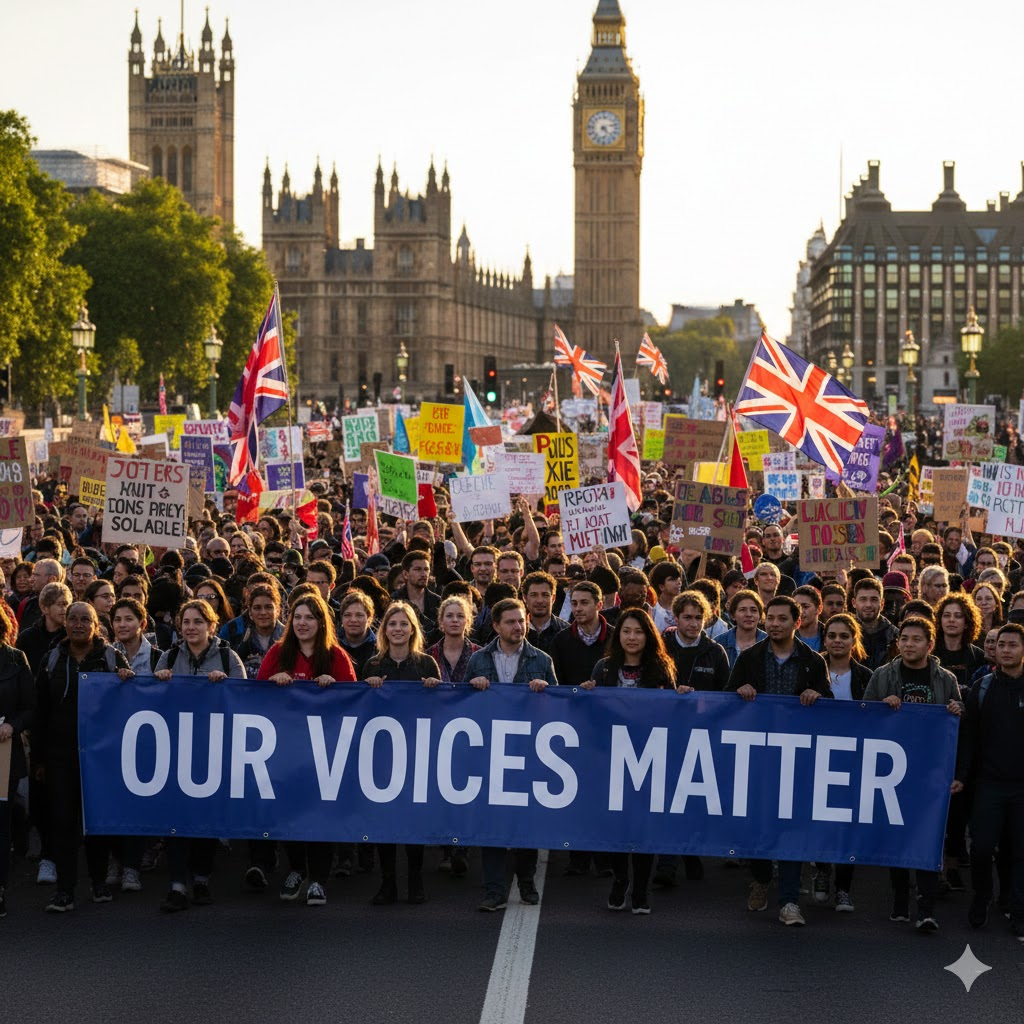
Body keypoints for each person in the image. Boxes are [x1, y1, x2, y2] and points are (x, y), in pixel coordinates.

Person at [726, 595, 832, 926]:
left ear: (796, 623)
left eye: (781, 618)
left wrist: (818, 696)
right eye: (769, 617)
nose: (773, 623)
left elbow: (830, 709)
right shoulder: (749, 658)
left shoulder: (813, 662)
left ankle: (788, 901)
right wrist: (739, 691)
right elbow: (727, 702)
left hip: (798, 760)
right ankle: (760, 878)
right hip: (757, 757)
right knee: (757, 824)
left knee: (791, 828)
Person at [864, 615, 962, 931]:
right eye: (904, 638)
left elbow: (958, 725)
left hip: (929, 771)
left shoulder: (945, 679)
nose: (908, 644)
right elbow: (862, 717)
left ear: (929, 644)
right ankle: (900, 899)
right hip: (891, 771)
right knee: (897, 836)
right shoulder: (882, 675)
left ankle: (926, 908)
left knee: (928, 837)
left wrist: (957, 710)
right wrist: (882, 705)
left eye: (916, 639)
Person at [258, 594, 356, 907]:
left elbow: (355, 701)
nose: (302, 623)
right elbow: (254, 696)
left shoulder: (336, 655)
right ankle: (297, 869)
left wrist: (335, 687)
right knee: (290, 813)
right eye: (297, 617)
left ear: (320, 622)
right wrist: (272, 682)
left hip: (326, 754)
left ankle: (319, 880)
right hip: (285, 751)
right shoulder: (277, 652)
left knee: (321, 814)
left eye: (309, 617)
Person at [34, 602, 131, 912]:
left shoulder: (111, 657)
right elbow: (40, 713)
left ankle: (99, 881)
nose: (77, 624)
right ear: (65, 623)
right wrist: (39, 760)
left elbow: (129, 706)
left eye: (84, 619)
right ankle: (65, 890)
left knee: (96, 822)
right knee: (62, 822)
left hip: (100, 757)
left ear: (95, 625)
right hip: (59, 755)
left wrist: (126, 678)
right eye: (72, 618)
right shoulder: (51, 659)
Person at [153, 599, 247, 912]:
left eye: (197, 621)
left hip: (213, 748)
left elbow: (246, 699)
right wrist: (161, 681)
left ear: (210, 625)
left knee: (207, 816)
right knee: (176, 818)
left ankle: (202, 878)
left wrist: (226, 685)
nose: (191, 628)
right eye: (186, 622)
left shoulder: (227, 656)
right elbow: (152, 703)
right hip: (176, 749)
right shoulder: (167, 656)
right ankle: (178, 884)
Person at [582, 609, 676, 914]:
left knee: (644, 827)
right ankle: (620, 881)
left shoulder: (661, 668)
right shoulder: (604, 668)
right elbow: (591, 716)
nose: (632, 637)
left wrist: (681, 695)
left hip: (649, 759)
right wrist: (585, 695)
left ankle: (641, 890)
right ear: (618, 635)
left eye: (638, 632)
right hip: (612, 760)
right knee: (618, 826)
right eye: (626, 631)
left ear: (648, 636)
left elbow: (675, 713)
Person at [466, 598, 557, 912]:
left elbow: (558, 709)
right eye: (510, 622)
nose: (518, 627)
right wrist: (472, 686)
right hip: (488, 753)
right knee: (491, 823)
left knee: (525, 823)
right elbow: (462, 708)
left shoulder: (542, 660)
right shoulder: (478, 660)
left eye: (521, 621)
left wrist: (546, 691)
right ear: (496, 626)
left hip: (527, 753)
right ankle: (494, 890)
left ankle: (527, 880)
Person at [363, 603, 441, 906]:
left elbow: (439, 709)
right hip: (381, 754)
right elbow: (360, 708)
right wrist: (367, 688)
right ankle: (388, 883)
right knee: (384, 820)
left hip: (416, 752)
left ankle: (415, 879)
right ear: (384, 630)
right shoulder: (372, 664)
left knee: (412, 819)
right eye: (392, 624)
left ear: (412, 629)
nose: (397, 628)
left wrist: (436, 688)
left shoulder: (425, 665)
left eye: (403, 624)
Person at [953, 622, 1024, 939]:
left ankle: (1018, 910)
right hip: (988, 785)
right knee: (981, 848)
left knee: (1020, 852)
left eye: (1013, 645)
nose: (1006, 650)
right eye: (1002, 645)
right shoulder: (981, 688)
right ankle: (982, 897)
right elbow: (967, 738)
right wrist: (962, 777)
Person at [814, 613, 872, 911]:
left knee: (848, 825)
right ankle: (822, 871)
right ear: (825, 640)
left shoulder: (865, 675)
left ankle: (843, 889)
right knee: (821, 821)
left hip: (854, 759)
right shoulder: (811, 668)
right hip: (817, 758)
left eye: (844, 636)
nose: (838, 641)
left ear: (853, 640)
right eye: (832, 636)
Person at [0, 606, 34, 919]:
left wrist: (13, 724)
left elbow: (30, 707)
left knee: (1, 819)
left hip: (4, 752)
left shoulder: (15, 659)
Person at [551, 581, 610, 691]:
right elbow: (557, 683)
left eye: (584, 603)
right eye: (574, 603)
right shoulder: (560, 640)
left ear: (599, 605)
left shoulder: (616, 638)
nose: (578, 608)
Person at [232, 584, 285, 679]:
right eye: (257, 608)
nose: (263, 612)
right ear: (250, 613)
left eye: (268, 607)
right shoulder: (238, 637)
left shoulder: (290, 637)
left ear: (278, 611)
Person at [852, 577, 898, 670]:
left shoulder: (894, 636)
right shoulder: (845, 633)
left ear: (882, 604)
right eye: (863, 599)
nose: (868, 605)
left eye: (873, 600)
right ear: (854, 603)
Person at [522, 571, 569, 655]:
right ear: (525, 598)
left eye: (545, 595)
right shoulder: (517, 631)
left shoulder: (567, 632)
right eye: (534, 595)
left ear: (553, 598)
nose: (540, 600)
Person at [718, 589, 766, 668]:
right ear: (733, 615)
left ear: (760, 615)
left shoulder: (770, 644)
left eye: (753, 610)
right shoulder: (720, 643)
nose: (748, 614)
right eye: (742, 610)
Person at [338, 590, 377, 675]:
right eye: (347, 615)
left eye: (359, 615)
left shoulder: (380, 649)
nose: (353, 620)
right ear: (342, 619)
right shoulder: (331, 647)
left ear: (369, 619)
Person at [649, 560, 683, 633]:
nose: (678, 582)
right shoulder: (652, 609)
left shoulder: (684, 607)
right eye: (673, 579)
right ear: (661, 586)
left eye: (678, 578)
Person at [793, 585, 825, 651]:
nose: (800, 611)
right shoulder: (786, 636)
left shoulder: (830, 635)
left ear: (819, 609)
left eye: (805, 606)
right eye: (797, 607)